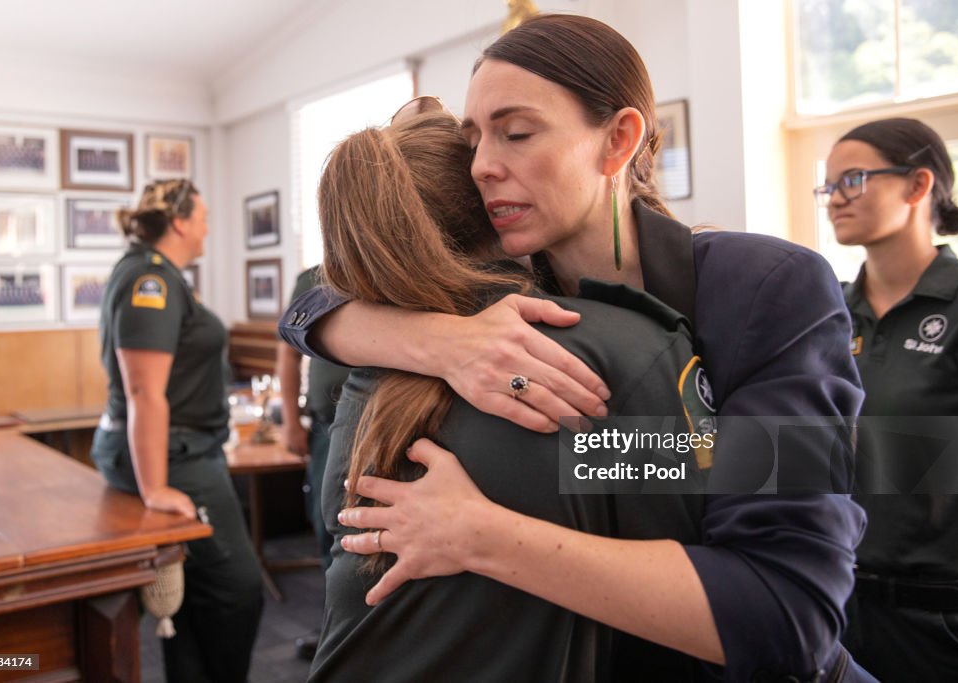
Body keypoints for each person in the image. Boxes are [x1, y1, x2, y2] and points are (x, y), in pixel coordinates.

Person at [282, 14, 869, 683]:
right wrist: (443, 342)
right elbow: (306, 312)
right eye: (471, 141)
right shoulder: (505, 302)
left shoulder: (764, 285)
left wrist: (480, 534)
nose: (482, 166)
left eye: (518, 132)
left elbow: (788, 612)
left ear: (617, 141)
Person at [306, 106, 718, 682]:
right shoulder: (625, 349)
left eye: (518, 134)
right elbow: (712, 593)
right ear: (492, 206)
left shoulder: (359, 363)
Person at [90, 179, 263, 682]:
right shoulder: (152, 280)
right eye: (204, 218)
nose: (208, 228)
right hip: (175, 457)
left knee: (194, 593)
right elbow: (144, 390)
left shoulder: (158, 274)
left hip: (183, 448)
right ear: (182, 222)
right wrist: (156, 486)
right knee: (237, 589)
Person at [818, 117, 958, 682]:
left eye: (852, 179)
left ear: (917, 185)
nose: (835, 198)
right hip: (835, 604)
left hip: (942, 617)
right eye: (828, 184)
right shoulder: (825, 310)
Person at [276, 264, 351, 660]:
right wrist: (291, 419)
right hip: (324, 428)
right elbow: (288, 356)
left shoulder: (383, 265)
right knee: (326, 528)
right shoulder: (311, 279)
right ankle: (332, 627)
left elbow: (578, 464)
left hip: (374, 426)